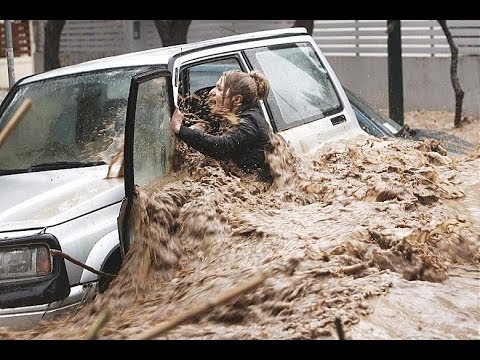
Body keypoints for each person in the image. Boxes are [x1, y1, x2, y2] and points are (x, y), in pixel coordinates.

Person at [170, 70, 273, 181]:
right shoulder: (231, 116)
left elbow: (221, 147)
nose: (212, 92)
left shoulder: (250, 123)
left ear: (237, 100)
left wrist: (179, 129)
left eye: (219, 89)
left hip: (253, 187)